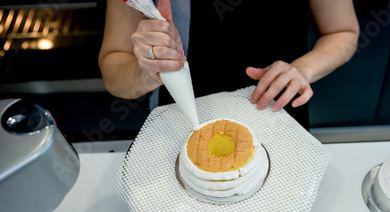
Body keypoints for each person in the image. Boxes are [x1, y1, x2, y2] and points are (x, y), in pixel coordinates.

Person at [98, 0, 359, 129]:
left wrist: (303, 69)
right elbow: (113, 66)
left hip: (276, 111)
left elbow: (343, 32)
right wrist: (145, 72)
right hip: (181, 118)